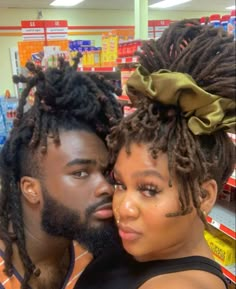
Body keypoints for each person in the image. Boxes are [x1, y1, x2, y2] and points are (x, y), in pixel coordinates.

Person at [75, 19, 235, 289]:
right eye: (120, 184)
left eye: (149, 189)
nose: (122, 208)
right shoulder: (146, 246)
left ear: (204, 196)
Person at [0, 57, 122, 289]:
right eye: (80, 173)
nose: (106, 187)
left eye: (106, 172)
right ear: (30, 189)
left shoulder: (93, 250)